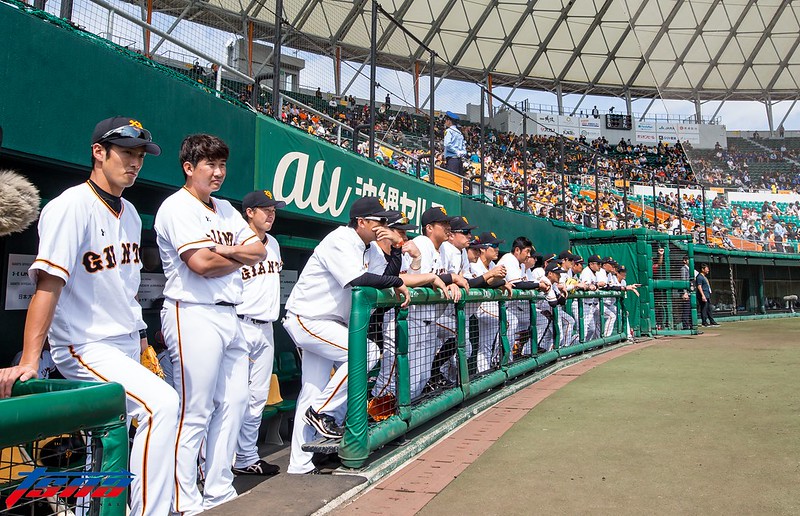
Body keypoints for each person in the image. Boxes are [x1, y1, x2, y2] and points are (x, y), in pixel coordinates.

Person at [0, 117, 178, 516]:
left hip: (125, 342)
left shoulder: (131, 213)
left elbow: (126, 289)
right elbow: (47, 285)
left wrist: (143, 340)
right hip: (84, 344)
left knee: (105, 444)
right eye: (126, 152)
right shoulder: (69, 206)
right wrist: (30, 358)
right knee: (161, 407)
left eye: (140, 155)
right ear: (99, 152)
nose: (135, 162)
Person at [155, 134, 267, 513]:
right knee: (196, 410)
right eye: (210, 165)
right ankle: (184, 499)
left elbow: (260, 249)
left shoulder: (224, 208)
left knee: (235, 402)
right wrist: (237, 255)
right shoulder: (176, 206)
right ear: (189, 167)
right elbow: (200, 266)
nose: (219, 173)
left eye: (222, 165)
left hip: (229, 313)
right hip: (192, 311)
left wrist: (223, 250)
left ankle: (218, 489)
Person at [283, 197, 410, 474]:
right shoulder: (339, 239)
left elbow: (386, 274)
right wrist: (397, 282)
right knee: (366, 352)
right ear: (362, 222)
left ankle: (300, 463)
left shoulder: (371, 247)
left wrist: (396, 248)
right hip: (307, 317)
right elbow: (359, 280)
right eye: (380, 221)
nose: (384, 226)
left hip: (328, 322)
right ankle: (321, 413)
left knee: (313, 390)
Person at [232, 190, 286, 477]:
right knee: (234, 397)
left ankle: (246, 457)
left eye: (273, 210)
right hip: (239, 323)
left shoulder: (274, 243)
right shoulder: (235, 236)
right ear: (249, 212)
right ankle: (218, 459)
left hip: (266, 328)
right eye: (264, 209)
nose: (271, 214)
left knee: (256, 398)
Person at [443, 111, 466, 176]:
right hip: (459, 160)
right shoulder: (460, 133)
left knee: (451, 179)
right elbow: (463, 147)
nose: (445, 122)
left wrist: (456, 151)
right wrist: (462, 153)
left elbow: (447, 144)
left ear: (449, 121)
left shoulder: (449, 131)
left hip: (452, 159)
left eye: (446, 120)